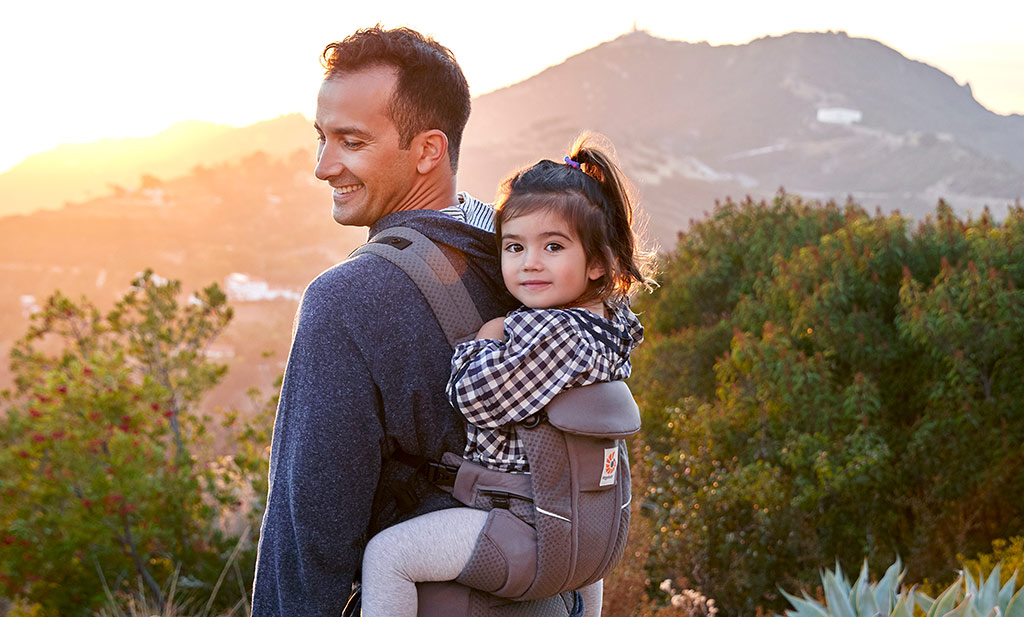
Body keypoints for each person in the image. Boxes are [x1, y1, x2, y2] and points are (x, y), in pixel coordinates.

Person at [250, 26, 520, 616]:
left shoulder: (348, 300)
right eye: (321, 138)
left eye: (351, 141)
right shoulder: (526, 260)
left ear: (428, 150)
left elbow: (308, 537)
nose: (324, 167)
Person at [359, 134, 654, 617]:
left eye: (553, 246)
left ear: (598, 262)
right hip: (590, 535)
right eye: (514, 247)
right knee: (582, 576)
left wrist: (486, 338)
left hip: (524, 527)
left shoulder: (551, 334)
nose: (529, 263)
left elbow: (475, 397)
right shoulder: (610, 324)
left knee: (388, 556)